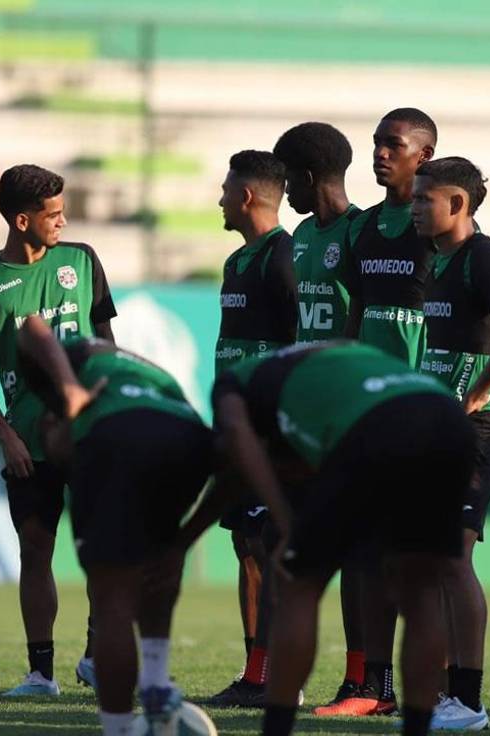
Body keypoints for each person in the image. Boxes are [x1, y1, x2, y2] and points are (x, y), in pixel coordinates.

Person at [211, 341, 476, 736]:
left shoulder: (235, 383)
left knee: (298, 583)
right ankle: (419, 726)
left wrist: (284, 518)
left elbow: (235, 436)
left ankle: (278, 726)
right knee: (419, 591)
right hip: (449, 421)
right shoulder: (330, 368)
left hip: (374, 424)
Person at [0, 164, 116, 696]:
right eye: (52, 214)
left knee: (101, 546)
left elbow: (106, 342)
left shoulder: (82, 261)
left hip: (89, 433)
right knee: (35, 551)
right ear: (22, 220)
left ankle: (95, 655)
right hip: (29, 441)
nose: (63, 221)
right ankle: (41, 673)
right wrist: (5, 434)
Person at [17, 316, 213, 736]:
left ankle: (119, 729)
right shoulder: (137, 366)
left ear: (53, 425)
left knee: (113, 600)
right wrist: (186, 538)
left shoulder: (77, 357)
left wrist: (69, 391)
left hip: (117, 437)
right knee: (162, 560)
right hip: (190, 437)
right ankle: (158, 685)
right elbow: (230, 470)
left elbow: (32, 326)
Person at [319, 107, 438, 718]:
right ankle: (363, 683)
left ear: (424, 156)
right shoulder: (363, 229)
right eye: (376, 143)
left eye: (393, 144)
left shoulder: (441, 228)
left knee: (413, 560)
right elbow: (354, 315)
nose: (380, 153)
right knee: (356, 553)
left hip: (418, 416)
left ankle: (422, 687)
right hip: (365, 414)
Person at [412, 156, 490, 730]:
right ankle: (443, 695)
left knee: (455, 557)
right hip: (442, 426)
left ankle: (470, 700)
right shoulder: (441, 258)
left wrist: (479, 391)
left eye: (423, 200)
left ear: (457, 204)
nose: (413, 209)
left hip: (475, 430)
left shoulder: (482, 255)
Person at [272, 121, 368, 706]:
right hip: (309, 410)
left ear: (308, 178)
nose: (284, 194)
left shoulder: (362, 233)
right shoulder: (301, 236)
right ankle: (283, 676)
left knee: (357, 554)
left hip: (352, 409)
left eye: (289, 182)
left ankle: (364, 679)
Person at [207, 149, 297, 708]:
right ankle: (254, 672)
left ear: (245, 197)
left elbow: (297, 343)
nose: (219, 198)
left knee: (268, 549)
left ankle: (277, 673)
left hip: (269, 432)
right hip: (238, 429)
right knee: (245, 546)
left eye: (225, 189)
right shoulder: (237, 262)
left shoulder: (282, 258)